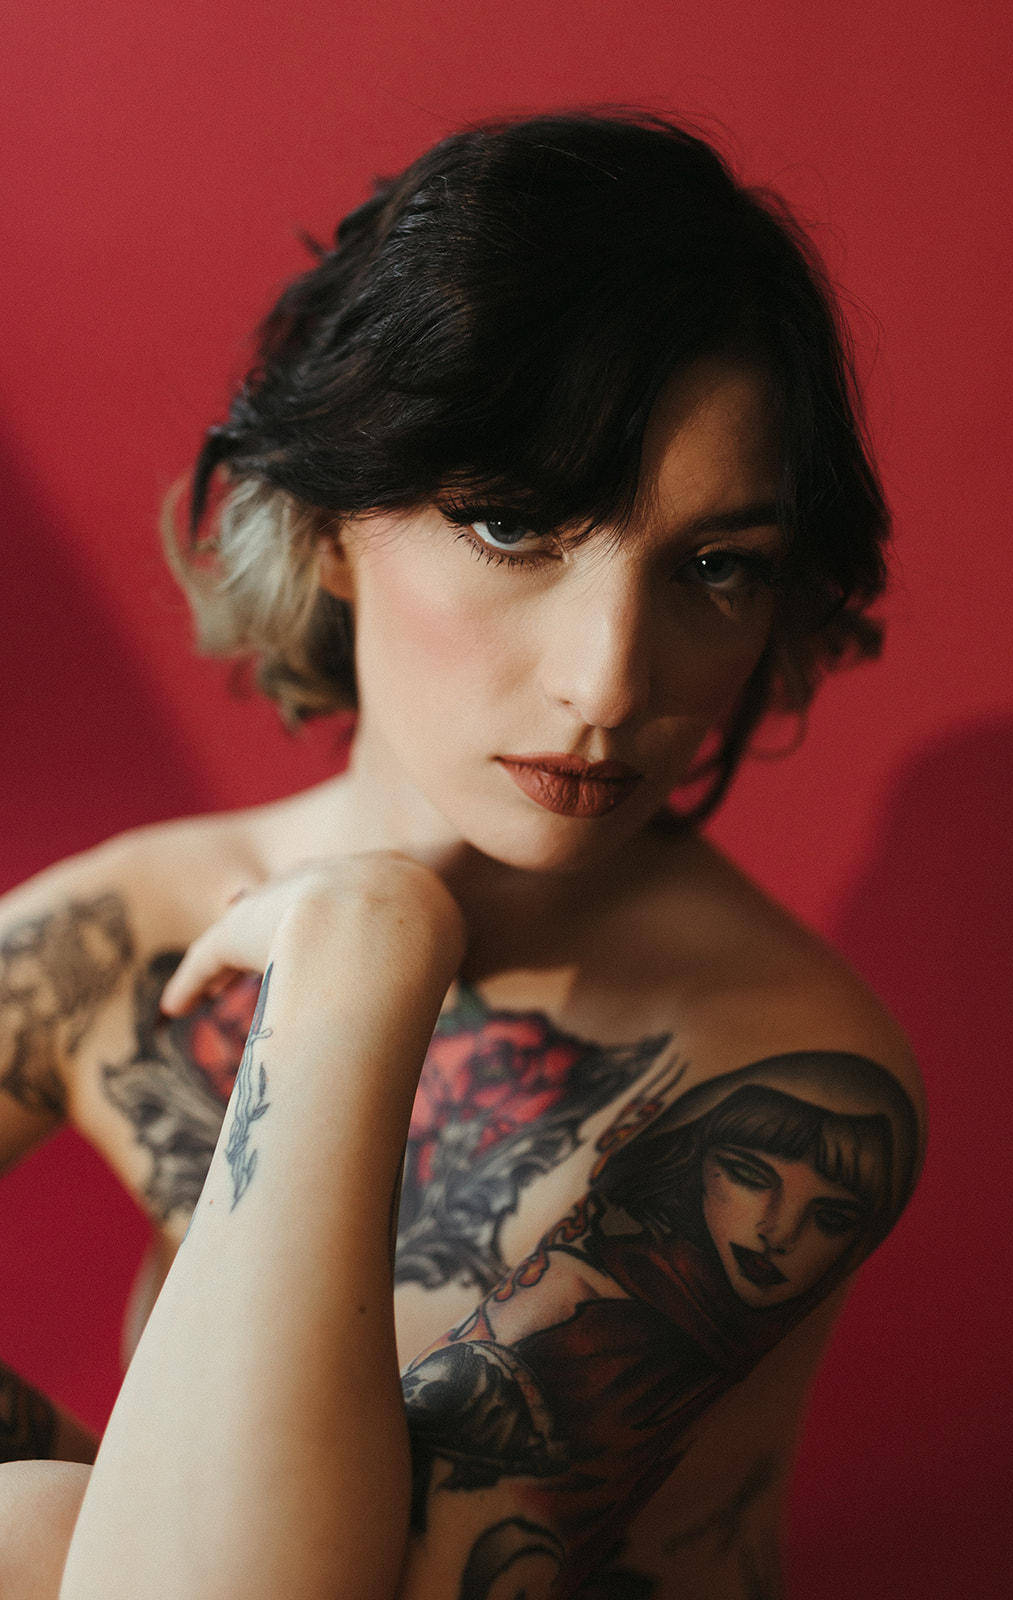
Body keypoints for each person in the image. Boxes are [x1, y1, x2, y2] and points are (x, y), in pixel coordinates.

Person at [0, 112, 925, 1599]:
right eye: (512, 523)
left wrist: (362, 961)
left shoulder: (788, 1091)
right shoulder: (130, 933)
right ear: (321, 530)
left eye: (714, 568)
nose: (609, 682)